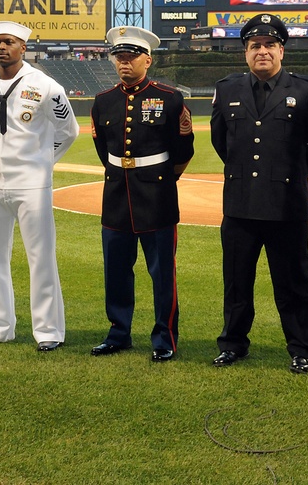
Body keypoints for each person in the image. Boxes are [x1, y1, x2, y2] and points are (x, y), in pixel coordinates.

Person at [210, 13, 308, 372]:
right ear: (245, 52)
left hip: (286, 205)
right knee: (236, 283)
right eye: (254, 46)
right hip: (239, 204)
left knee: (293, 283)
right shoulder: (227, 88)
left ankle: (302, 348)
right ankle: (233, 344)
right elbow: (221, 142)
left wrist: (286, 175)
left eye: (269, 45)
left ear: (282, 51)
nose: (262, 51)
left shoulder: (306, 89)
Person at [0, 20, 79, 352]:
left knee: (40, 256)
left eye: (9, 42)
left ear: (23, 47)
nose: (1, 47)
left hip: (32, 184)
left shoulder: (45, 85)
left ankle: (48, 330)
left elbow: (68, 131)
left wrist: (42, 160)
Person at [89, 26, 195, 362]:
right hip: (116, 196)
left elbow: (184, 149)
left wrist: (163, 180)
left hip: (157, 197)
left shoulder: (169, 98)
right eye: (119, 57)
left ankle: (165, 338)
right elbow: (103, 149)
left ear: (147, 60)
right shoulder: (103, 101)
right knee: (116, 272)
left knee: (162, 273)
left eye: (131, 57)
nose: (124, 62)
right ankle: (118, 333)